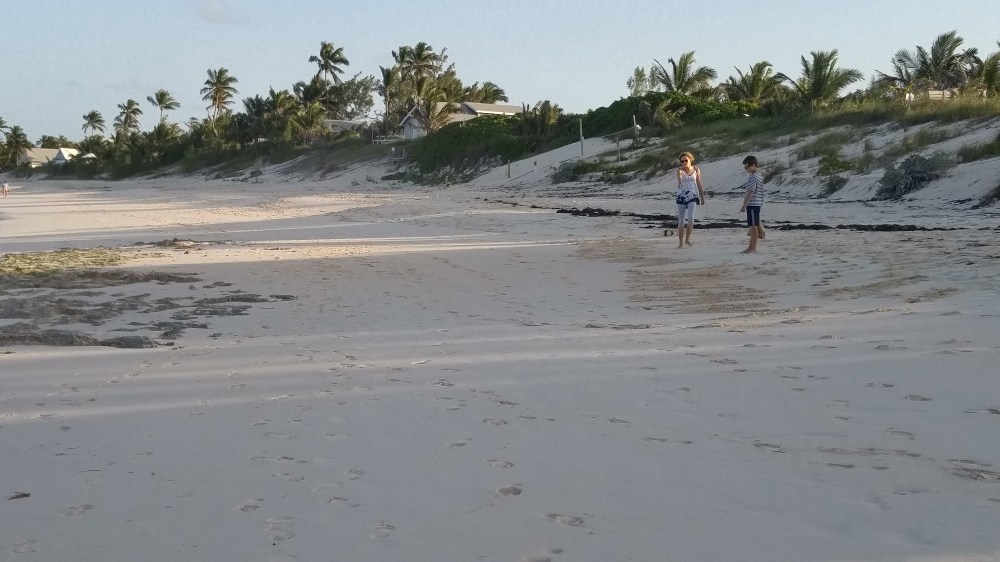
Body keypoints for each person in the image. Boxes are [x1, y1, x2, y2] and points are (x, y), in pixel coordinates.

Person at [675, 151, 706, 248]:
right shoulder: (680, 170)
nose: (684, 162)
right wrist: (680, 182)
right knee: (681, 220)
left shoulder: (696, 170)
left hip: (692, 195)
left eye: (685, 160)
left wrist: (702, 196)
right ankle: (680, 242)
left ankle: (687, 240)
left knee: (691, 219)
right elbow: (679, 177)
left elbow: (699, 183)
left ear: (690, 160)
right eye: (682, 161)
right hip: (682, 195)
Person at [738, 155, 765, 254]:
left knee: (753, 226)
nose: (746, 169)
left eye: (747, 167)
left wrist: (744, 205)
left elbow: (750, 192)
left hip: (753, 203)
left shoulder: (754, 176)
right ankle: (752, 246)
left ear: (753, 165)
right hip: (756, 203)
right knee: (754, 224)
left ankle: (752, 248)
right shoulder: (759, 175)